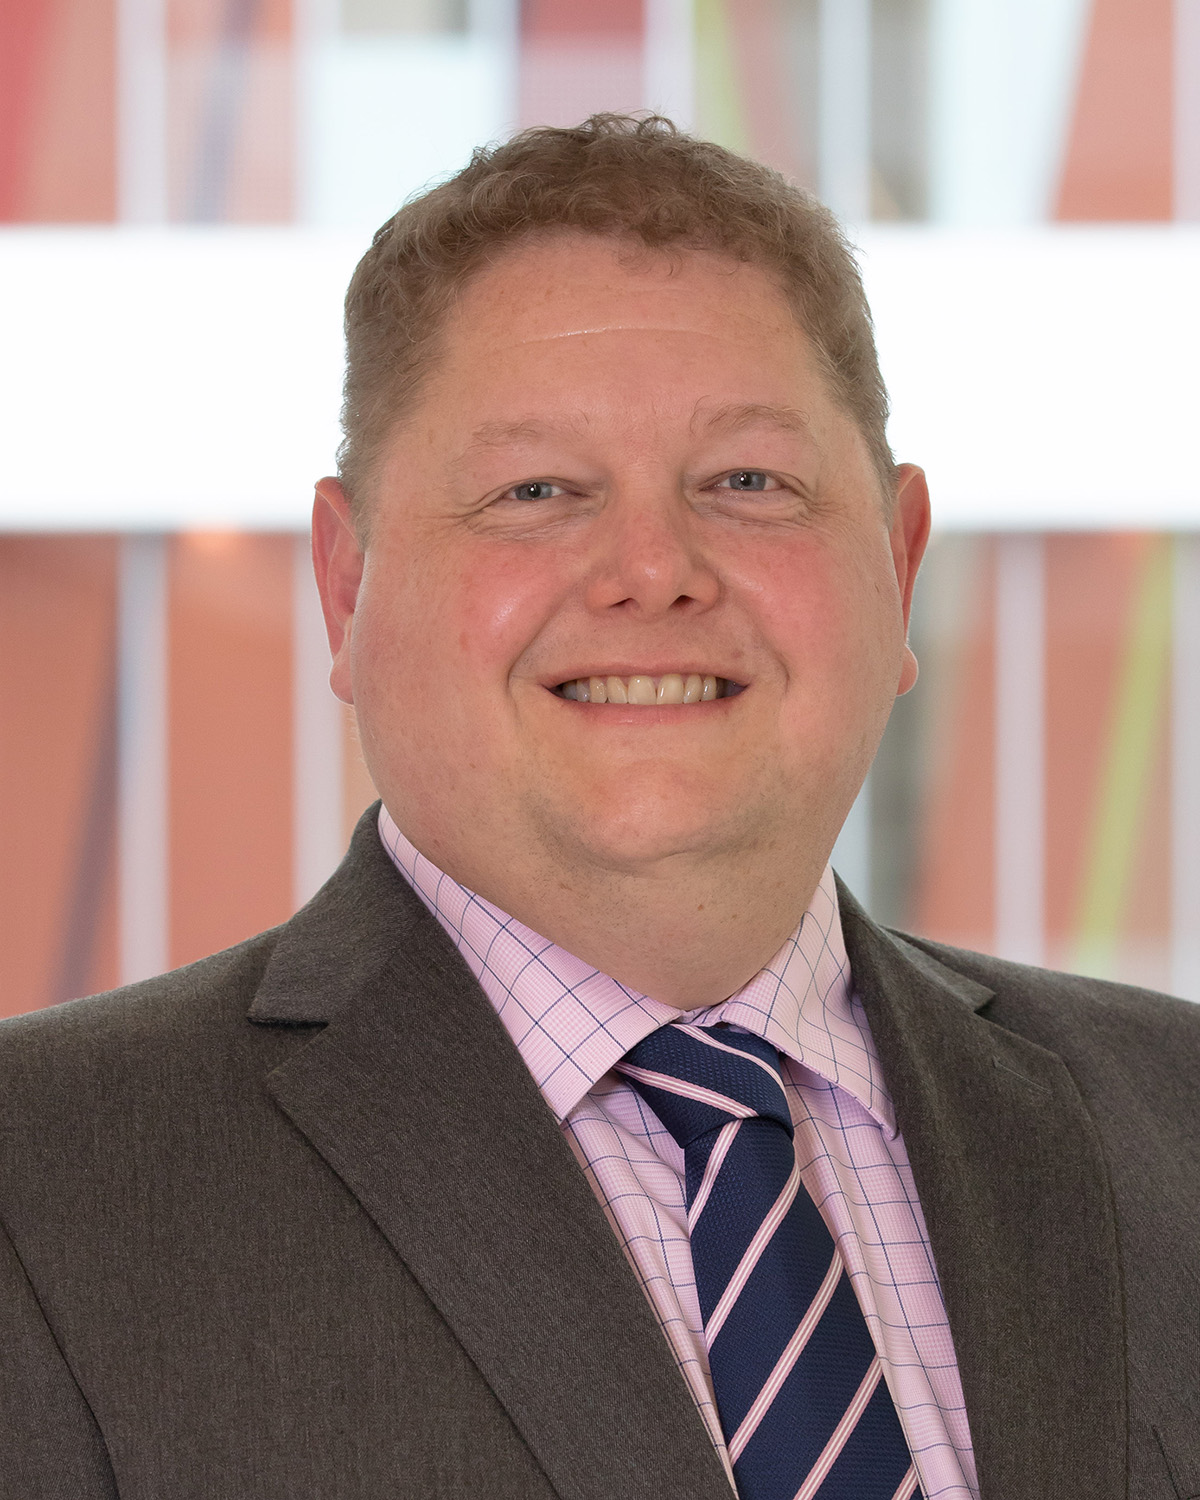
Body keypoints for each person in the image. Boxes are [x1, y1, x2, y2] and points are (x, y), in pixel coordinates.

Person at [1, 116, 1196, 1500]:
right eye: (537, 491)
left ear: (899, 560)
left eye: (749, 482)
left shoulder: (1177, 1124)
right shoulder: (44, 1197)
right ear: (347, 586)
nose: (652, 570)